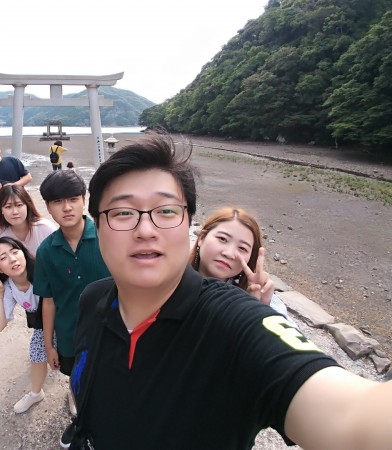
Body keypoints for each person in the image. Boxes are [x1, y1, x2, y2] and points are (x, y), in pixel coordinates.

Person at [70, 133, 392, 449]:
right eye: (123, 212)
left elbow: (354, 419)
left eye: (166, 211)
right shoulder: (92, 300)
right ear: (97, 226)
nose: (145, 230)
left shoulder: (234, 323)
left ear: (189, 223)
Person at [32, 169, 110, 448]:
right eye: (57, 201)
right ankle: (82, 422)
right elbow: (48, 300)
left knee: (111, 380)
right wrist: (49, 345)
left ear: (84, 200)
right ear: (48, 207)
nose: (66, 207)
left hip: (111, 330)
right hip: (69, 334)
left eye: (73, 199)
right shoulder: (46, 251)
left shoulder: (107, 237)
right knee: (76, 377)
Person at [190, 206, 295, 323]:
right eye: (222, 239)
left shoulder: (261, 296)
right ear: (201, 238)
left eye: (242, 248)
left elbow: (286, 332)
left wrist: (258, 308)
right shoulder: (174, 276)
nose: (229, 254)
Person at [0, 237, 47, 414]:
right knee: (36, 354)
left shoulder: (43, 270)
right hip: (42, 324)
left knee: (72, 356)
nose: (12, 259)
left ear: (24, 252)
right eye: (3, 258)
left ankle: (74, 392)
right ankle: (36, 393)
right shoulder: (8, 287)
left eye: (15, 251)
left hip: (64, 317)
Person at [0, 184, 57, 262]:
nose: (15, 212)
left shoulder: (45, 228)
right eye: (8, 207)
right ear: (1, 210)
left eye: (19, 205)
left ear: (27, 205)